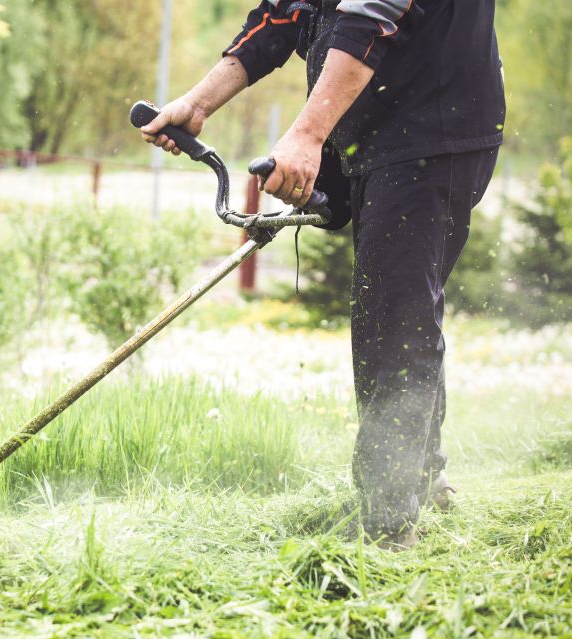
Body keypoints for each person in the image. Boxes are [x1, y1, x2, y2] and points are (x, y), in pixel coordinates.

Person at [141, 0, 505, 549]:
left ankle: (389, 522)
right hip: (379, 126)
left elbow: (369, 16)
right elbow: (286, 13)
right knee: (399, 306)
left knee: (393, 316)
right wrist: (197, 103)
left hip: (434, 125)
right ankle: (423, 480)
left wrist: (308, 136)